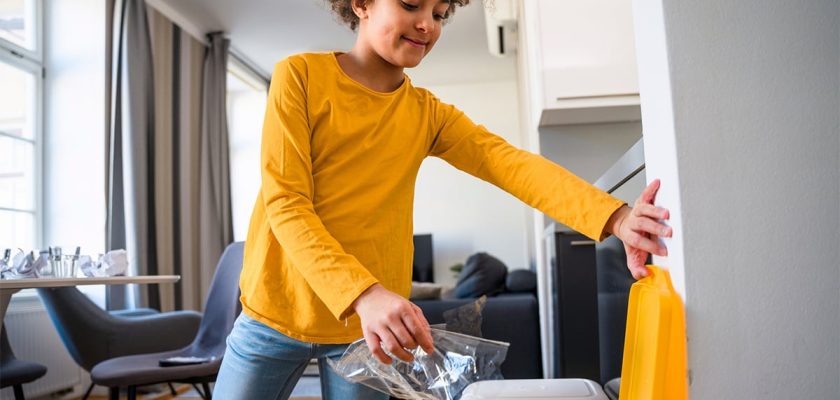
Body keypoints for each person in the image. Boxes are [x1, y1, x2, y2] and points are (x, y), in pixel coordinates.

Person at [213, 0, 672, 398]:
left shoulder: (427, 114)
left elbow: (508, 164)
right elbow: (287, 203)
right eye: (411, 6)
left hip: (371, 333)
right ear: (361, 3)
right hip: (276, 311)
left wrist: (616, 217)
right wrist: (364, 295)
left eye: (439, 14)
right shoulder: (300, 77)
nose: (428, 25)